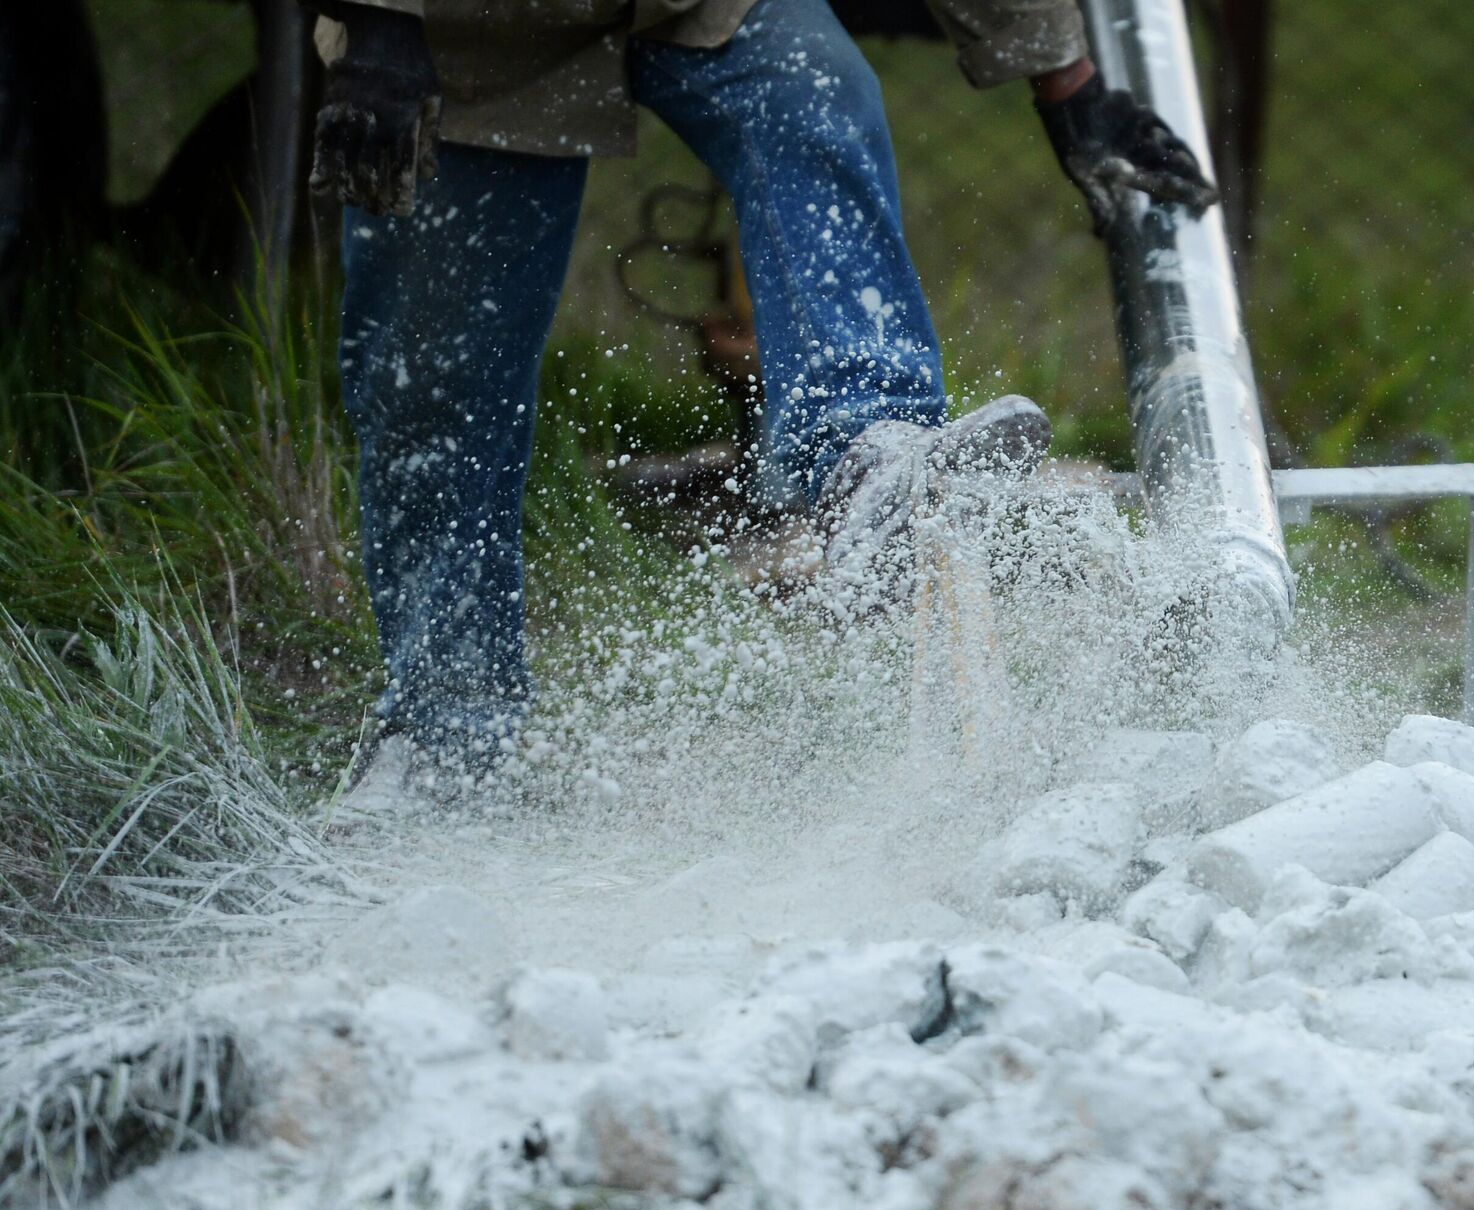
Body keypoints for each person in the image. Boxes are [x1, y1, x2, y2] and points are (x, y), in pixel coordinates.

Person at [311, 0, 1216, 794]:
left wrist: (1069, 82)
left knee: (813, 95)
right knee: (434, 377)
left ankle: (874, 456)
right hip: (466, 26)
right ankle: (444, 736)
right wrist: (380, 20)